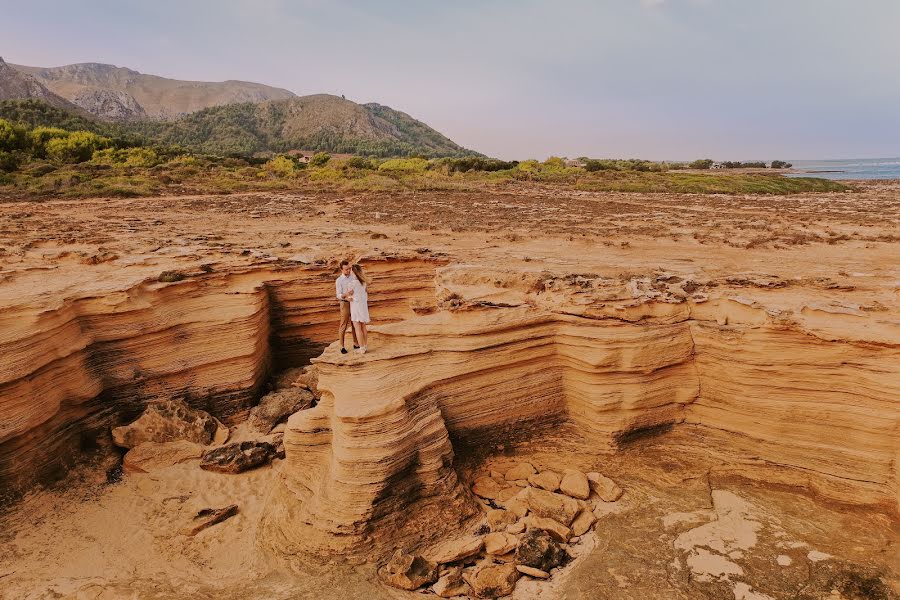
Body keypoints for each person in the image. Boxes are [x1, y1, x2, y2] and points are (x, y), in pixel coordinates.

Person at [335, 259, 359, 354]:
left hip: (353, 302)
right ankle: (342, 346)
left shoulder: (353, 277)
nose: (348, 271)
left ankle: (356, 343)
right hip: (344, 303)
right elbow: (338, 295)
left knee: (354, 323)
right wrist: (346, 295)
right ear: (341, 269)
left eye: (349, 269)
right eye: (346, 269)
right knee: (343, 325)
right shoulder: (339, 280)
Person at [348, 263, 370, 353]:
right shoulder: (364, 282)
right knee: (363, 327)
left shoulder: (351, 283)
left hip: (356, 307)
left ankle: (361, 348)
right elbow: (365, 294)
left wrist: (346, 297)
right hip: (363, 306)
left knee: (357, 328)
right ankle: (365, 346)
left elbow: (349, 297)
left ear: (353, 272)